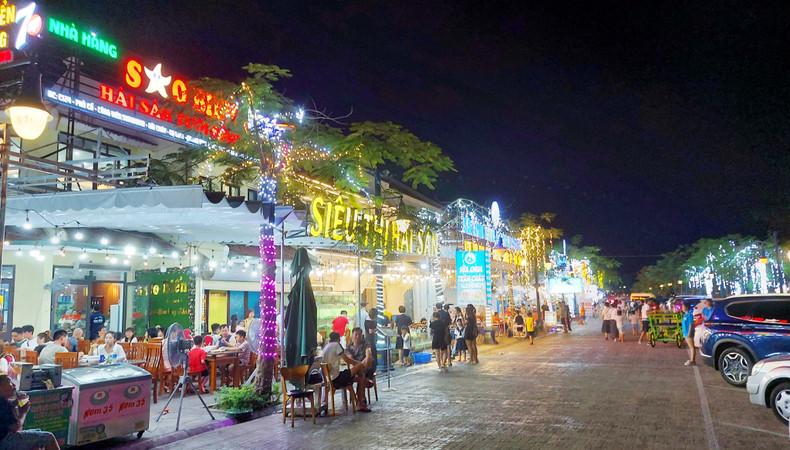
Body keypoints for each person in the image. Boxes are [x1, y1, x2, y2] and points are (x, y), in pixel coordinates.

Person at [0, 374, 60, 449]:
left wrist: (15, 403)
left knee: (36, 436)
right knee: (49, 437)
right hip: (4, 441)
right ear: (1, 387)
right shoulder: (3, 403)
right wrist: (23, 412)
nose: (14, 385)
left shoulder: (4, 402)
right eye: (10, 382)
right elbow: (16, 427)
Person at [325, 332, 371, 413]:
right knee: (360, 367)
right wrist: (359, 365)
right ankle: (361, 402)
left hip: (329, 379)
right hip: (337, 379)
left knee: (360, 379)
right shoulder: (336, 345)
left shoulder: (326, 347)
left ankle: (361, 402)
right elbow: (347, 360)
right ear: (338, 339)